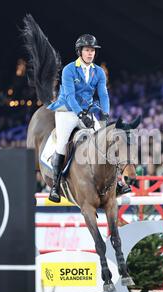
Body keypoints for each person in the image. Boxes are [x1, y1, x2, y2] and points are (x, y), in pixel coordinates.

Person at [46, 34, 115, 202]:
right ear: (80, 52)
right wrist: (81, 115)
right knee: (62, 143)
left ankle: (116, 182)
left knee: (106, 141)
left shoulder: (98, 71)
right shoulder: (69, 69)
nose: (90, 53)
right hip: (67, 111)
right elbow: (70, 96)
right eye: (87, 50)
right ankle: (55, 185)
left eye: (92, 50)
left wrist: (105, 114)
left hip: (88, 110)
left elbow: (103, 95)